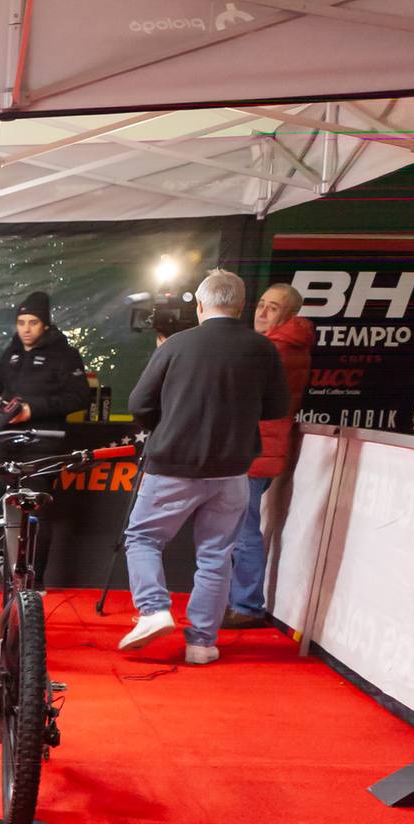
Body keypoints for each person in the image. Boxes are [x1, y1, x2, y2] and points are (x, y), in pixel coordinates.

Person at [117, 270, 291, 664]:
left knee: (142, 539)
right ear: (242, 306)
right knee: (216, 554)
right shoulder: (262, 349)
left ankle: (153, 609)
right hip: (232, 469)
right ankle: (201, 644)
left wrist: (167, 422)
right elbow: (278, 407)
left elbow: (140, 403)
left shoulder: (177, 345)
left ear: (199, 305)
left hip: (173, 464)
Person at [225, 284, 313, 627]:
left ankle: (246, 605)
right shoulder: (277, 346)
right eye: (260, 304)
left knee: (244, 531)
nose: (262, 312)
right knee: (240, 529)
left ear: (288, 315)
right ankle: (239, 601)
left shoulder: (276, 349)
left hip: (256, 449)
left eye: (272, 308)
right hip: (259, 447)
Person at [0, 290, 94, 429]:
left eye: (33, 323)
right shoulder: (12, 352)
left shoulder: (65, 355)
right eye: (21, 323)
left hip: (43, 436)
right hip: (4, 433)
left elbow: (79, 398)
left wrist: (32, 409)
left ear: (45, 326)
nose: (26, 329)